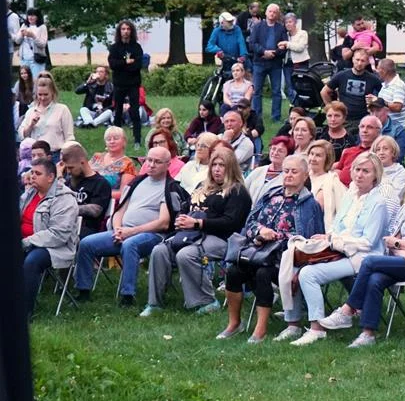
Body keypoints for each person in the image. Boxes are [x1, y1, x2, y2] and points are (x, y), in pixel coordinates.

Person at [318, 164, 405, 348]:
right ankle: (367, 334)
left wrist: (399, 244)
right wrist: (401, 250)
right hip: (403, 260)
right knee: (375, 279)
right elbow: (390, 240)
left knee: (369, 261)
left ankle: (348, 309)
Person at [274, 152, 389, 344]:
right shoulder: (350, 195)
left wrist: (335, 241)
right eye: (357, 170)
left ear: (375, 176)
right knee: (292, 260)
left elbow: (368, 242)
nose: (360, 175)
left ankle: (316, 328)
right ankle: (293, 324)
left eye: (366, 171)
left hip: (361, 257)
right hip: (337, 250)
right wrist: (328, 238)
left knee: (308, 274)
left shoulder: (378, 203)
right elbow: (336, 227)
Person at [217, 154, 323, 343]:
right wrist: (260, 232)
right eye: (286, 171)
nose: (289, 175)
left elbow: (311, 241)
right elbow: (250, 222)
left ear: (305, 175)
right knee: (233, 272)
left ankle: (260, 329)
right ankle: (235, 323)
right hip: (257, 250)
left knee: (263, 273)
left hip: (285, 259)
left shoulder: (310, 205)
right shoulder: (271, 195)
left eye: (294, 171)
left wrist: (277, 237)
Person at [142, 147, 252, 317]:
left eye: (222, 165)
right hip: (190, 234)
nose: (216, 169)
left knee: (186, 254)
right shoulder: (202, 186)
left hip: (223, 239)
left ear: (230, 167)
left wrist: (198, 223)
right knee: (159, 250)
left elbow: (231, 223)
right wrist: (180, 219)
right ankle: (155, 303)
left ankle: (207, 301)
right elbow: (186, 206)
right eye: (214, 164)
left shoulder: (237, 191)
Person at [73, 147, 185, 306]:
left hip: (153, 235)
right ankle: (83, 291)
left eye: (157, 162)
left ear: (168, 165)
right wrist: (118, 229)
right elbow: (120, 211)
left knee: (130, 244)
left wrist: (130, 232)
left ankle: (127, 295)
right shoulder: (137, 182)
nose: (151, 164)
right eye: (149, 160)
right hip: (123, 232)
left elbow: (163, 222)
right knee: (86, 243)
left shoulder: (170, 187)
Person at [21, 158, 79, 317]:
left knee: (32, 261)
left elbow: (58, 234)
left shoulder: (64, 198)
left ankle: (24, 313)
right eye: (32, 172)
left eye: (37, 173)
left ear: (50, 177)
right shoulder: (29, 194)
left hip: (55, 247)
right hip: (27, 242)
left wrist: (25, 242)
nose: (32, 176)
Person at [18, 77, 74, 164]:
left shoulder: (62, 109)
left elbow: (69, 137)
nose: (42, 98)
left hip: (55, 156)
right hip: (35, 157)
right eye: (40, 95)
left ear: (52, 92)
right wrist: (31, 125)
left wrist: (65, 156)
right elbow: (23, 135)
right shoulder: (31, 111)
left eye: (46, 94)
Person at [60, 144, 111, 239]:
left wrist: (67, 208)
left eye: (71, 167)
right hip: (64, 227)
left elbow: (95, 210)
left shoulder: (100, 183)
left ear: (82, 162)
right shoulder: (69, 182)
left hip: (86, 231)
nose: (68, 172)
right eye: (66, 168)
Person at [248, 3, 288, 122]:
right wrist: (264, 52)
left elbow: (284, 46)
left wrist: (274, 53)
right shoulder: (257, 27)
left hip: (275, 64)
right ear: (266, 12)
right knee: (257, 91)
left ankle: (276, 117)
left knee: (276, 91)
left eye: (275, 12)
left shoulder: (281, 28)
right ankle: (257, 117)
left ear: (277, 14)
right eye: (270, 11)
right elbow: (252, 44)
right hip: (259, 62)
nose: (272, 14)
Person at [321, 49, 382, 128]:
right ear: (353, 59)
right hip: (344, 119)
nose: (359, 63)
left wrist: (375, 100)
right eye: (357, 60)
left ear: (367, 62)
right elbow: (324, 92)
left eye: (362, 61)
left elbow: (383, 96)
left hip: (363, 120)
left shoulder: (373, 79)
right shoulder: (341, 75)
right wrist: (331, 109)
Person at [108, 20, 145, 148]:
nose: (125, 31)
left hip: (133, 83)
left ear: (131, 31)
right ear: (119, 31)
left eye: (128, 29)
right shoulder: (114, 47)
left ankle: (137, 139)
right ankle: (116, 139)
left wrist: (123, 66)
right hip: (119, 84)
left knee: (134, 111)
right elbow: (113, 64)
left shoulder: (136, 47)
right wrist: (126, 63)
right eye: (123, 29)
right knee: (118, 111)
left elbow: (138, 65)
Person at [306, 139, 347, 232]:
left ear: (327, 159)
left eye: (318, 155)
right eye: (311, 154)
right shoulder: (302, 176)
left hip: (318, 228)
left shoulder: (332, 181)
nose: (313, 158)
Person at [90, 126, 137, 201]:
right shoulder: (97, 157)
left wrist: (98, 194)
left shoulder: (128, 164)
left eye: (116, 138)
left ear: (124, 141)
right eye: (108, 139)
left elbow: (123, 193)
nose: (112, 141)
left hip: (109, 201)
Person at [245, 136, 294, 204]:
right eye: (273, 149)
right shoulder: (258, 171)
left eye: (280, 151)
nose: (275, 153)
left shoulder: (286, 178)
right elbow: (243, 190)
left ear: (288, 155)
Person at [335, 115, 381, 186]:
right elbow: (338, 170)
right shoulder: (348, 151)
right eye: (362, 127)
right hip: (339, 187)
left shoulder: (379, 154)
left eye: (370, 127)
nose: (364, 130)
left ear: (378, 131)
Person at [206, 11, 249, 78]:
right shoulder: (217, 31)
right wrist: (218, 50)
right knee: (223, 78)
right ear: (222, 23)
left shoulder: (237, 29)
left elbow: (241, 43)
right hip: (225, 59)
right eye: (229, 21)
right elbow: (210, 46)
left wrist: (243, 56)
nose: (231, 22)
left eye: (232, 21)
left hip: (238, 59)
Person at [278, 12, 309, 102]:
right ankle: (294, 106)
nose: (288, 24)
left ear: (295, 22)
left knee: (300, 86)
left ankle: (302, 106)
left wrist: (287, 44)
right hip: (287, 64)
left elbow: (300, 47)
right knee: (290, 87)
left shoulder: (302, 33)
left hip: (301, 63)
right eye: (286, 22)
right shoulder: (285, 35)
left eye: (290, 22)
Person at [367, 98, 405, 162]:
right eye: (372, 111)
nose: (374, 115)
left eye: (378, 110)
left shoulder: (398, 130)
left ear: (387, 111)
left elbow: (399, 156)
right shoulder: (365, 129)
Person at [373, 58, 405, 128]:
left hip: (395, 127)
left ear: (384, 71)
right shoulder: (385, 84)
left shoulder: (398, 85)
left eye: (378, 69)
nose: (377, 71)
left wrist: (381, 101)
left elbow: (397, 107)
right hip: (386, 126)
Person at [15, 7, 48, 78]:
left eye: (33, 15)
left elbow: (42, 44)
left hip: (36, 60)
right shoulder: (24, 25)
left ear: (38, 17)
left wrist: (33, 36)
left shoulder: (42, 27)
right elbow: (17, 41)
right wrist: (22, 34)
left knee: (36, 80)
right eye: (29, 15)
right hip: (24, 59)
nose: (30, 17)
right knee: (25, 81)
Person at [373, 135, 405, 204]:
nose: (381, 152)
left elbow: (395, 196)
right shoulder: (371, 169)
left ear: (393, 152)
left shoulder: (400, 172)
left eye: (385, 149)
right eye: (378, 150)